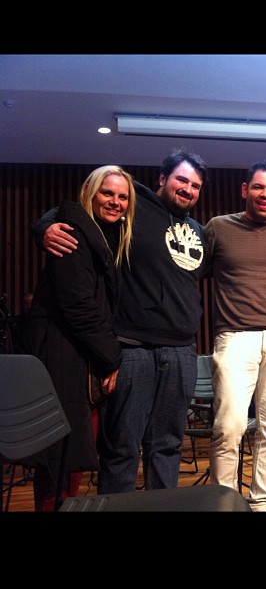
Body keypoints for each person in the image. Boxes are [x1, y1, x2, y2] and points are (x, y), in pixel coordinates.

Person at [32, 149, 208, 494]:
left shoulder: (200, 230)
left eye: (196, 186)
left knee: (168, 446)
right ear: (162, 178)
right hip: (133, 349)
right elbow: (79, 211)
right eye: (181, 180)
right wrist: (44, 227)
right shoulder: (134, 203)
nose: (188, 189)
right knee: (121, 448)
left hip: (182, 352)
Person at [27, 165, 136, 511]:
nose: (115, 202)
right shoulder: (72, 232)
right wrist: (112, 356)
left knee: (69, 462)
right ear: (90, 193)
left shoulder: (105, 234)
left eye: (122, 197)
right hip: (63, 357)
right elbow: (77, 305)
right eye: (107, 193)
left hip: (80, 356)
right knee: (59, 461)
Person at [204, 160, 266, 512]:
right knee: (228, 428)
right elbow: (189, 271)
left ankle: (262, 505)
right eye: (258, 187)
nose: (265, 194)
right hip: (234, 339)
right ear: (245, 189)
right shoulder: (217, 228)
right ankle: (225, 505)